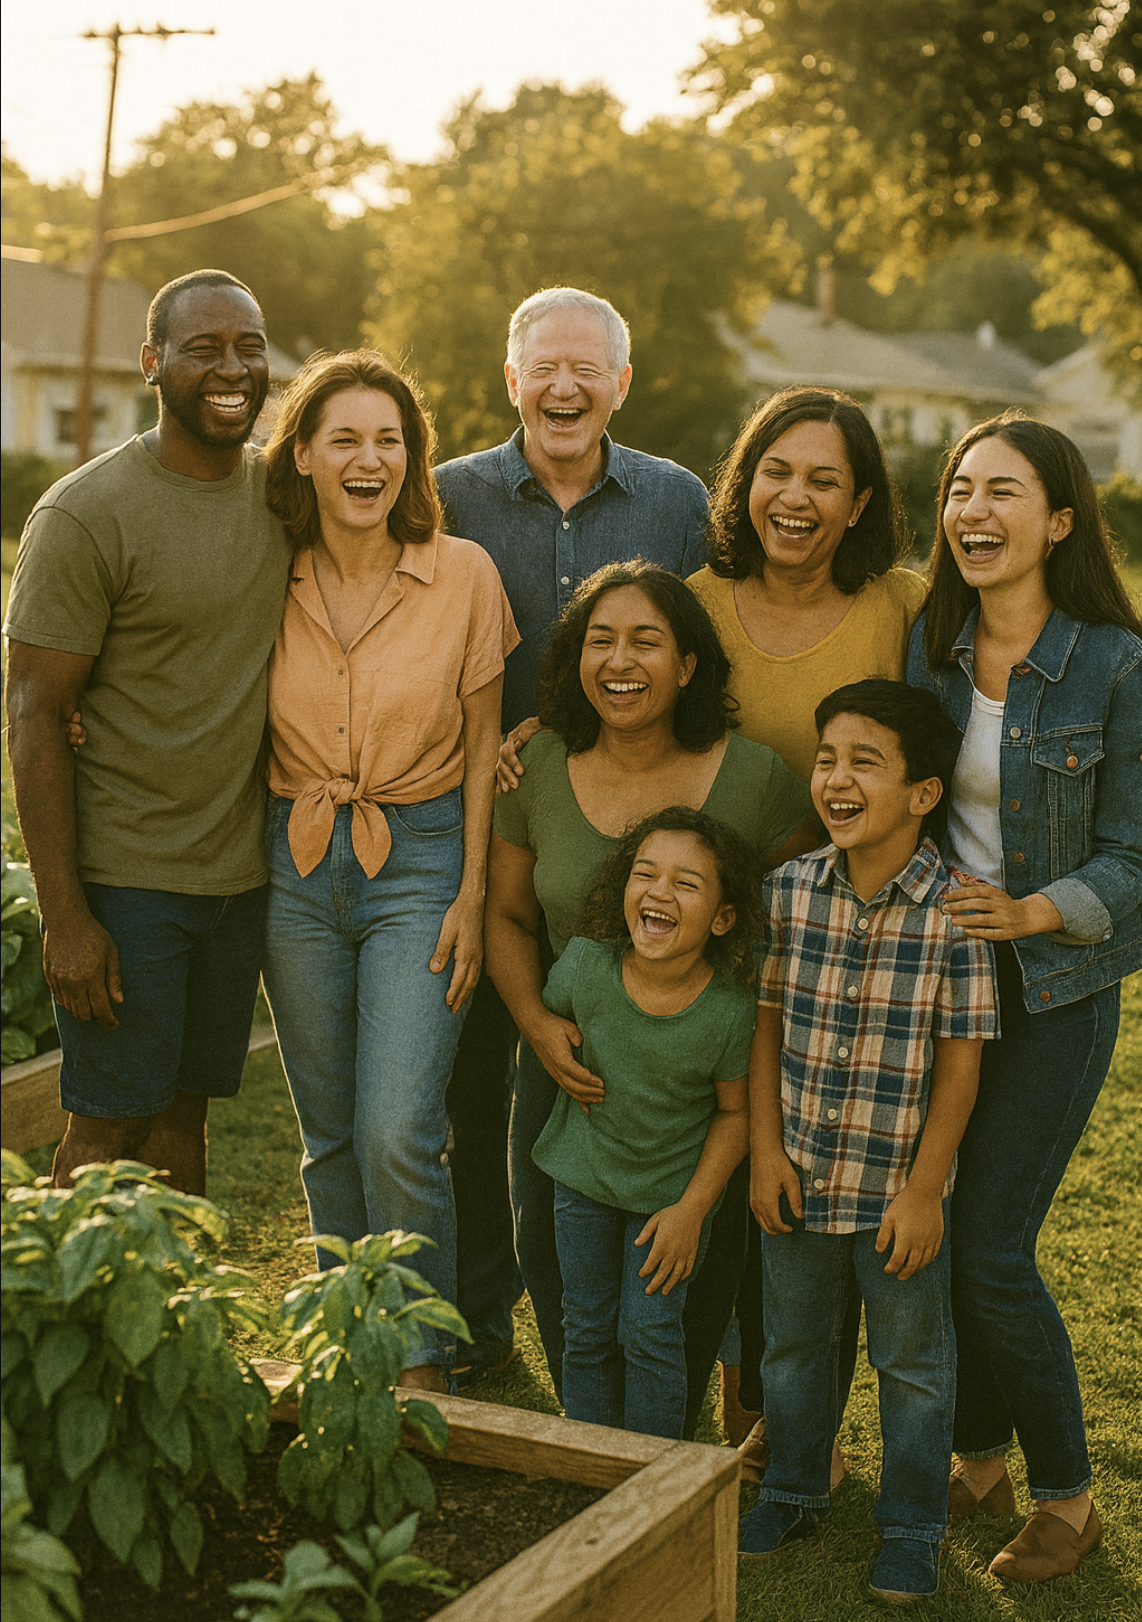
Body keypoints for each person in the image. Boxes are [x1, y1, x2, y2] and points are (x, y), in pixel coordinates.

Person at [434, 287, 709, 1384]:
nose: (563, 387)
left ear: (620, 384)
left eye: (586, 369)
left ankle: (637, 1330)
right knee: (468, 1090)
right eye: (543, 367)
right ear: (510, 379)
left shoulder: (676, 502)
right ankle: (479, 1321)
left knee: (611, 1084)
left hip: (624, 847)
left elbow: (702, 654)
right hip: (474, 834)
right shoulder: (445, 494)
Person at [484, 560, 813, 1400]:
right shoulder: (537, 762)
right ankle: (590, 1435)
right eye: (600, 641)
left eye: (646, 641)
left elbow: (804, 898)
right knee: (550, 1253)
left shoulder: (753, 777)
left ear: (689, 664)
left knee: (688, 1274)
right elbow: (508, 915)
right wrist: (536, 1024)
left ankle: (669, 1439)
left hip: (697, 1079)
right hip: (569, 1064)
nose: (620, 661)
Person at [906, 412, 1142, 1583]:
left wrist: (1034, 910)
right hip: (938, 985)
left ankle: (1068, 1496)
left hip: (1053, 987)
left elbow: (1134, 853)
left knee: (990, 1246)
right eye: (959, 488)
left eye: (1000, 491)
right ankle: (976, 1460)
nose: (972, 511)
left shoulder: (1114, 664)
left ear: (1056, 520)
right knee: (941, 1231)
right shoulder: (930, 646)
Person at [259, 351, 518, 1392]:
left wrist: (470, 895)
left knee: (397, 1127)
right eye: (344, 439)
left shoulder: (463, 574)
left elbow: (485, 745)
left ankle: (419, 1360)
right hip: (294, 858)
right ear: (304, 456)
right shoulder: (266, 569)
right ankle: (347, 1343)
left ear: (411, 458)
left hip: (421, 860)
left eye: (389, 440)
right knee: (327, 1135)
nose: (368, 460)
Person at [4, 269, 291, 1194]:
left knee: (182, 1119)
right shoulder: (86, 513)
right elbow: (33, 715)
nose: (232, 368)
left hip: (237, 879)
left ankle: (180, 1293)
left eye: (249, 346)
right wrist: (66, 919)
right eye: (203, 348)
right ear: (151, 364)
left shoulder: (286, 497)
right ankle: (67, 1284)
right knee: (107, 1126)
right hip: (125, 883)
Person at [687, 385, 925, 1450]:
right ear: (745, 484)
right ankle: (745, 1408)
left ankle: (803, 1428)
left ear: (858, 501)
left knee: (824, 1186)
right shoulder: (696, 603)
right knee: (729, 1170)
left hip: (851, 941)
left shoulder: (901, 607)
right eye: (776, 471)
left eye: (825, 479)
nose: (796, 496)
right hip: (714, 936)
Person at [739, 680, 999, 1604]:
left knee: (913, 1367)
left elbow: (960, 1067)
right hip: (798, 1177)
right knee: (792, 1350)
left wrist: (925, 1192)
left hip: (897, 1192)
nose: (836, 780)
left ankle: (914, 1526)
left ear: (924, 793)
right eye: (826, 760)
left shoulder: (957, 913)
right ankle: (794, 1487)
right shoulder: (787, 893)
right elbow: (764, 1030)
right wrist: (765, 1152)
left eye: (864, 763)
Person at [537, 809, 759, 1440]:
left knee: (650, 1331)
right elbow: (547, 1024)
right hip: (582, 1182)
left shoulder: (729, 1010)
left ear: (722, 918)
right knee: (586, 1327)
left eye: (686, 883)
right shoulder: (584, 966)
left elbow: (735, 1113)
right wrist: (550, 1039)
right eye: (645, 873)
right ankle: (592, 1471)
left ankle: (654, 1477)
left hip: (669, 1202)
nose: (660, 891)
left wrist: (693, 1211)